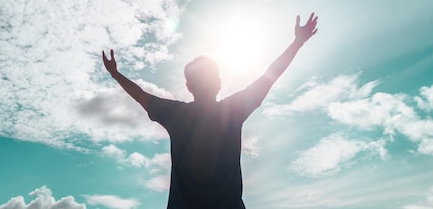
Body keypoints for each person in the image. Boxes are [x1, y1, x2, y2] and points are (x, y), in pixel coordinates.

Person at [102, 13, 319, 209]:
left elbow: (141, 95)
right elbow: (269, 76)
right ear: (219, 83)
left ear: (189, 86)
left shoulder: (176, 115)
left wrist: (115, 74)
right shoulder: (233, 110)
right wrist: (297, 43)